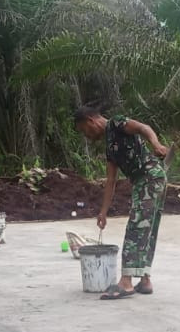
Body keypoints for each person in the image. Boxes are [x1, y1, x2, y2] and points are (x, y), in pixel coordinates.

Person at [73, 106, 170, 300]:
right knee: (147, 228)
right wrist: (103, 212)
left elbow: (144, 127)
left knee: (136, 227)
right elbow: (110, 182)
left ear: (91, 121)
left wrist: (156, 144)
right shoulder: (110, 146)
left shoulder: (116, 123)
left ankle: (126, 282)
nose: (87, 135)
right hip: (148, 180)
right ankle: (145, 279)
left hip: (150, 176)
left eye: (85, 130)